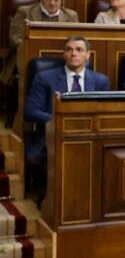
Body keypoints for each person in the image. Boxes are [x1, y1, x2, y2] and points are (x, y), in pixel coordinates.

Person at [25, 37, 110, 180]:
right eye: (69, 50)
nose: (73, 53)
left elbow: (105, 112)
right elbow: (30, 111)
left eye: (79, 50)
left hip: (89, 135)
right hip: (53, 136)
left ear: (88, 55)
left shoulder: (100, 81)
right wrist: (60, 121)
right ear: (64, 54)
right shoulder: (45, 78)